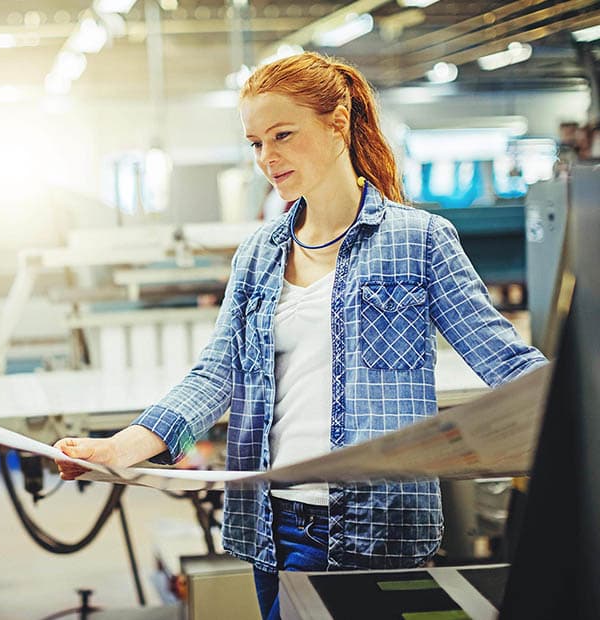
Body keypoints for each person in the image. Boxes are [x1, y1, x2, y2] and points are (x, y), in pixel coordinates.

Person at [53, 52, 547, 620]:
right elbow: (217, 375)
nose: (267, 157)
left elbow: (503, 358)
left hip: (379, 521)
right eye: (256, 142)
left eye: (282, 135)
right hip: (273, 523)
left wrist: (572, 411)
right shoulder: (258, 254)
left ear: (338, 122)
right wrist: (120, 448)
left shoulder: (420, 239)